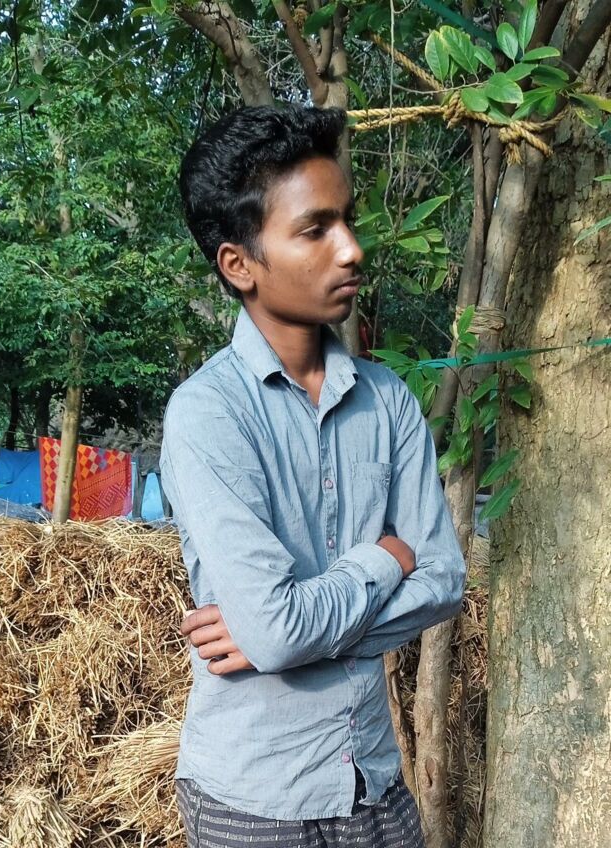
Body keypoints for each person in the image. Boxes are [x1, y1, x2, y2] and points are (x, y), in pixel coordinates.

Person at [160, 105, 466, 848]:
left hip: (376, 784)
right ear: (239, 264)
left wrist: (289, 635)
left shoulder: (388, 400)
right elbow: (281, 626)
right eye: (315, 229)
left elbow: (445, 579)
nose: (352, 249)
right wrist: (384, 559)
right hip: (255, 803)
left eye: (347, 220)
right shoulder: (207, 415)